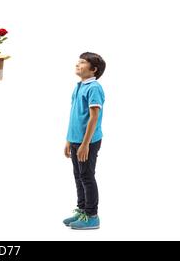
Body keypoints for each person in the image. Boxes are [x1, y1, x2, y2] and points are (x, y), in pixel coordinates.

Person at [63, 52, 106, 230]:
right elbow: (74, 115)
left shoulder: (94, 87)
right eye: (78, 61)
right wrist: (68, 139)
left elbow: (94, 117)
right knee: (78, 176)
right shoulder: (79, 85)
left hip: (87, 142)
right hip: (75, 140)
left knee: (87, 176)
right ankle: (82, 210)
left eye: (83, 62)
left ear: (93, 69)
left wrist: (85, 144)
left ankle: (92, 215)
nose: (78, 64)